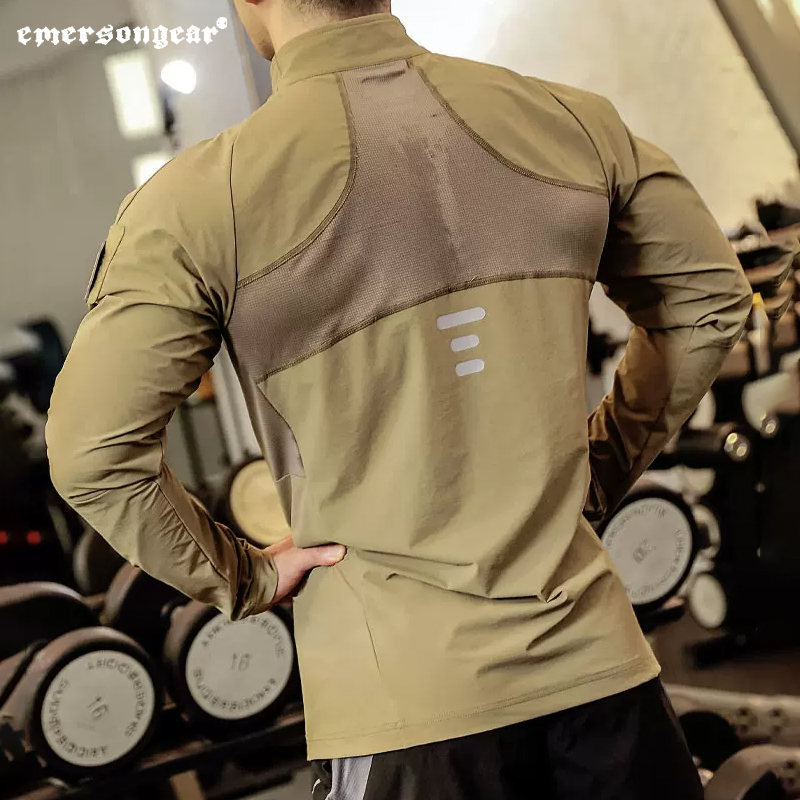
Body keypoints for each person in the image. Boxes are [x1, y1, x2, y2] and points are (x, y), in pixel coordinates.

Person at [46, 1, 752, 797]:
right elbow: (710, 301)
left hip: (408, 710)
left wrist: (240, 576)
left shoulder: (199, 200)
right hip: (606, 683)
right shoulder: (570, 121)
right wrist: (598, 467)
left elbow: (92, 455)